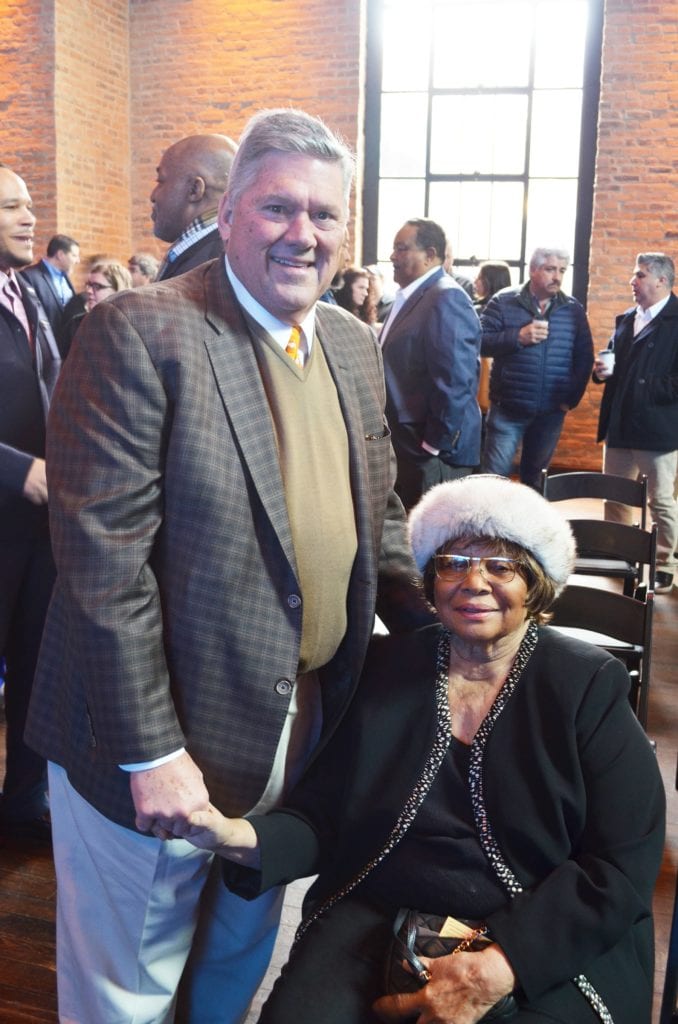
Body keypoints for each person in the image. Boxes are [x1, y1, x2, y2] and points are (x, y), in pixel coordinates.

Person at [25, 108, 432, 1024]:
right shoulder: (139, 331)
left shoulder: (350, 343)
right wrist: (151, 752)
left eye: (324, 214)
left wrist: (452, 631)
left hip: (302, 719)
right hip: (155, 733)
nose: (303, 234)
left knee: (237, 954)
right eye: (278, 208)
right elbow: (103, 568)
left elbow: (379, 513)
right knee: (129, 984)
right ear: (229, 213)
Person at [174, 473, 665, 1024]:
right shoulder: (387, 666)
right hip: (377, 909)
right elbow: (324, 815)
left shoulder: (585, 684)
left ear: (535, 583)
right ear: (431, 581)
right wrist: (237, 837)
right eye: (454, 563)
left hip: (537, 930)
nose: (474, 582)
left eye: (501, 567)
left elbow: (619, 864)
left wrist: (500, 967)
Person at [0, 165, 63, 839]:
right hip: (8, 504)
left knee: (35, 666)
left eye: (28, 205)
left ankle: (23, 803)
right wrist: (19, 471)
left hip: (39, 526)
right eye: (11, 207)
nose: (29, 218)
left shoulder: (28, 287)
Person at [380, 217, 482, 511]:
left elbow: (455, 380)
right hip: (410, 445)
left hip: (432, 454)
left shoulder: (445, 297)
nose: (392, 256)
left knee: (431, 531)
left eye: (402, 248)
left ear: (430, 254)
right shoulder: (414, 295)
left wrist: (434, 444)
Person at [593, 251, 678, 594]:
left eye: (640, 275)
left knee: (660, 501)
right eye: (634, 274)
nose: (633, 281)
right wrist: (601, 372)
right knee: (614, 496)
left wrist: (643, 386)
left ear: (662, 280)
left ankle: (664, 563)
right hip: (620, 423)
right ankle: (618, 553)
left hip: (658, 427)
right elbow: (613, 361)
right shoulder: (627, 318)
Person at [480, 248, 593, 489]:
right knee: (493, 481)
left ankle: (528, 517)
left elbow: (584, 358)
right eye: (550, 269)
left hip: (551, 412)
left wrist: (570, 400)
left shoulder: (573, 309)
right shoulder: (503, 301)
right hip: (507, 409)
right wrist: (517, 337)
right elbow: (480, 342)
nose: (557, 277)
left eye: (562, 270)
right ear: (533, 270)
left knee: (535, 483)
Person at [152, 132, 237, 280]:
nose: (153, 196)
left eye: (161, 181)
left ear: (194, 189)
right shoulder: (218, 254)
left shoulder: (213, 266)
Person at [61, 258, 132, 352]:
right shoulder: (76, 325)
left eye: (97, 286)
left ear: (117, 290)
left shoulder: (131, 328)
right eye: (89, 285)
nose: (89, 291)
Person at [20, 233, 80, 339]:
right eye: (74, 256)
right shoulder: (29, 276)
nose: (78, 261)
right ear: (60, 255)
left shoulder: (65, 278)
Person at [472, 261, 512, 421]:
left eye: (479, 278)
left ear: (490, 282)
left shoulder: (478, 311)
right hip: (506, 388)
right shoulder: (513, 312)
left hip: (480, 382)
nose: (475, 281)